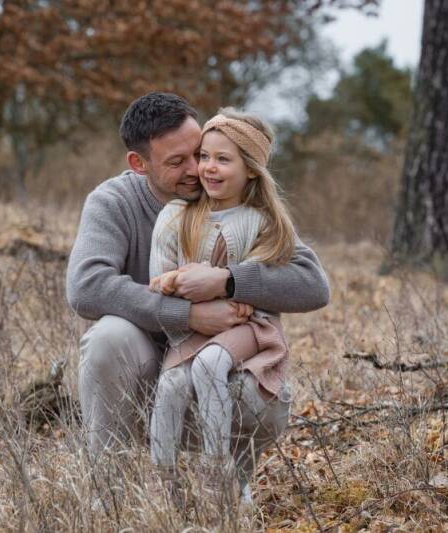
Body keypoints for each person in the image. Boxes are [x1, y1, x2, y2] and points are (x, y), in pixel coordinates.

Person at [65, 92, 330, 507]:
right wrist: (187, 313)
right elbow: (86, 286)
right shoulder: (113, 202)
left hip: (221, 367)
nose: (198, 170)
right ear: (139, 165)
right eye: (177, 162)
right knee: (107, 337)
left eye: (200, 152)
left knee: (252, 389)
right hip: (144, 370)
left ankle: (230, 485)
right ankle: (109, 492)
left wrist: (227, 282)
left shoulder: (243, 202)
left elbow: (313, 284)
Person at [148, 107, 297, 506]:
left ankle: (217, 475)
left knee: (210, 364)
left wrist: (223, 289)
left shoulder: (262, 222)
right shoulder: (177, 216)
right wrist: (180, 284)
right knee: (171, 385)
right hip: (192, 329)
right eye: (205, 156)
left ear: (250, 170)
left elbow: (258, 290)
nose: (208, 168)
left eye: (223, 159)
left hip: (248, 328)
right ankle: (162, 485)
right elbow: (159, 281)